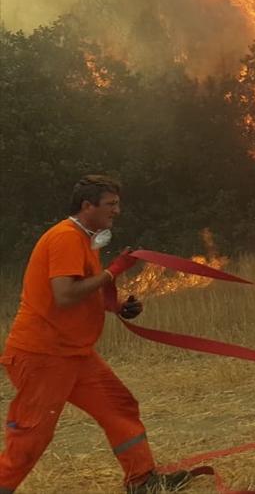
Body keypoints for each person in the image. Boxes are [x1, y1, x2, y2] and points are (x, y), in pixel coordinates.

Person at [0, 176, 191, 493]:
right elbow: (65, 294)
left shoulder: (86, 238)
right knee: (31, 434)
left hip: (74, 353)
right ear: (87, 206)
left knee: (119, 406)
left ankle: (142, 481)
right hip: (43, 355)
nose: (117, 210)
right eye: (110, 204)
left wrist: (116, 306)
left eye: (117, 203)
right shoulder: (65, 238)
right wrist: (114, 270)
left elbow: (81, 291)